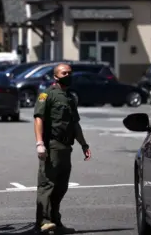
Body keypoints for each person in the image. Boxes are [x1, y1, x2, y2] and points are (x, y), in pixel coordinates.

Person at [33, 63, 91, 234]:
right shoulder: (47, 94)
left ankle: (55, 221)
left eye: (70, 73)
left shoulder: (70, 97)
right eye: (64, 73)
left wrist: (84, 144)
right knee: (47, 184)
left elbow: (75, 124)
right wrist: (39, 144)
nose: (68, 75)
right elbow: (38, 119)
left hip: (66, 147)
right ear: (55, 76)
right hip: (52, 145)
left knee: (61, 186)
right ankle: (43, 221)